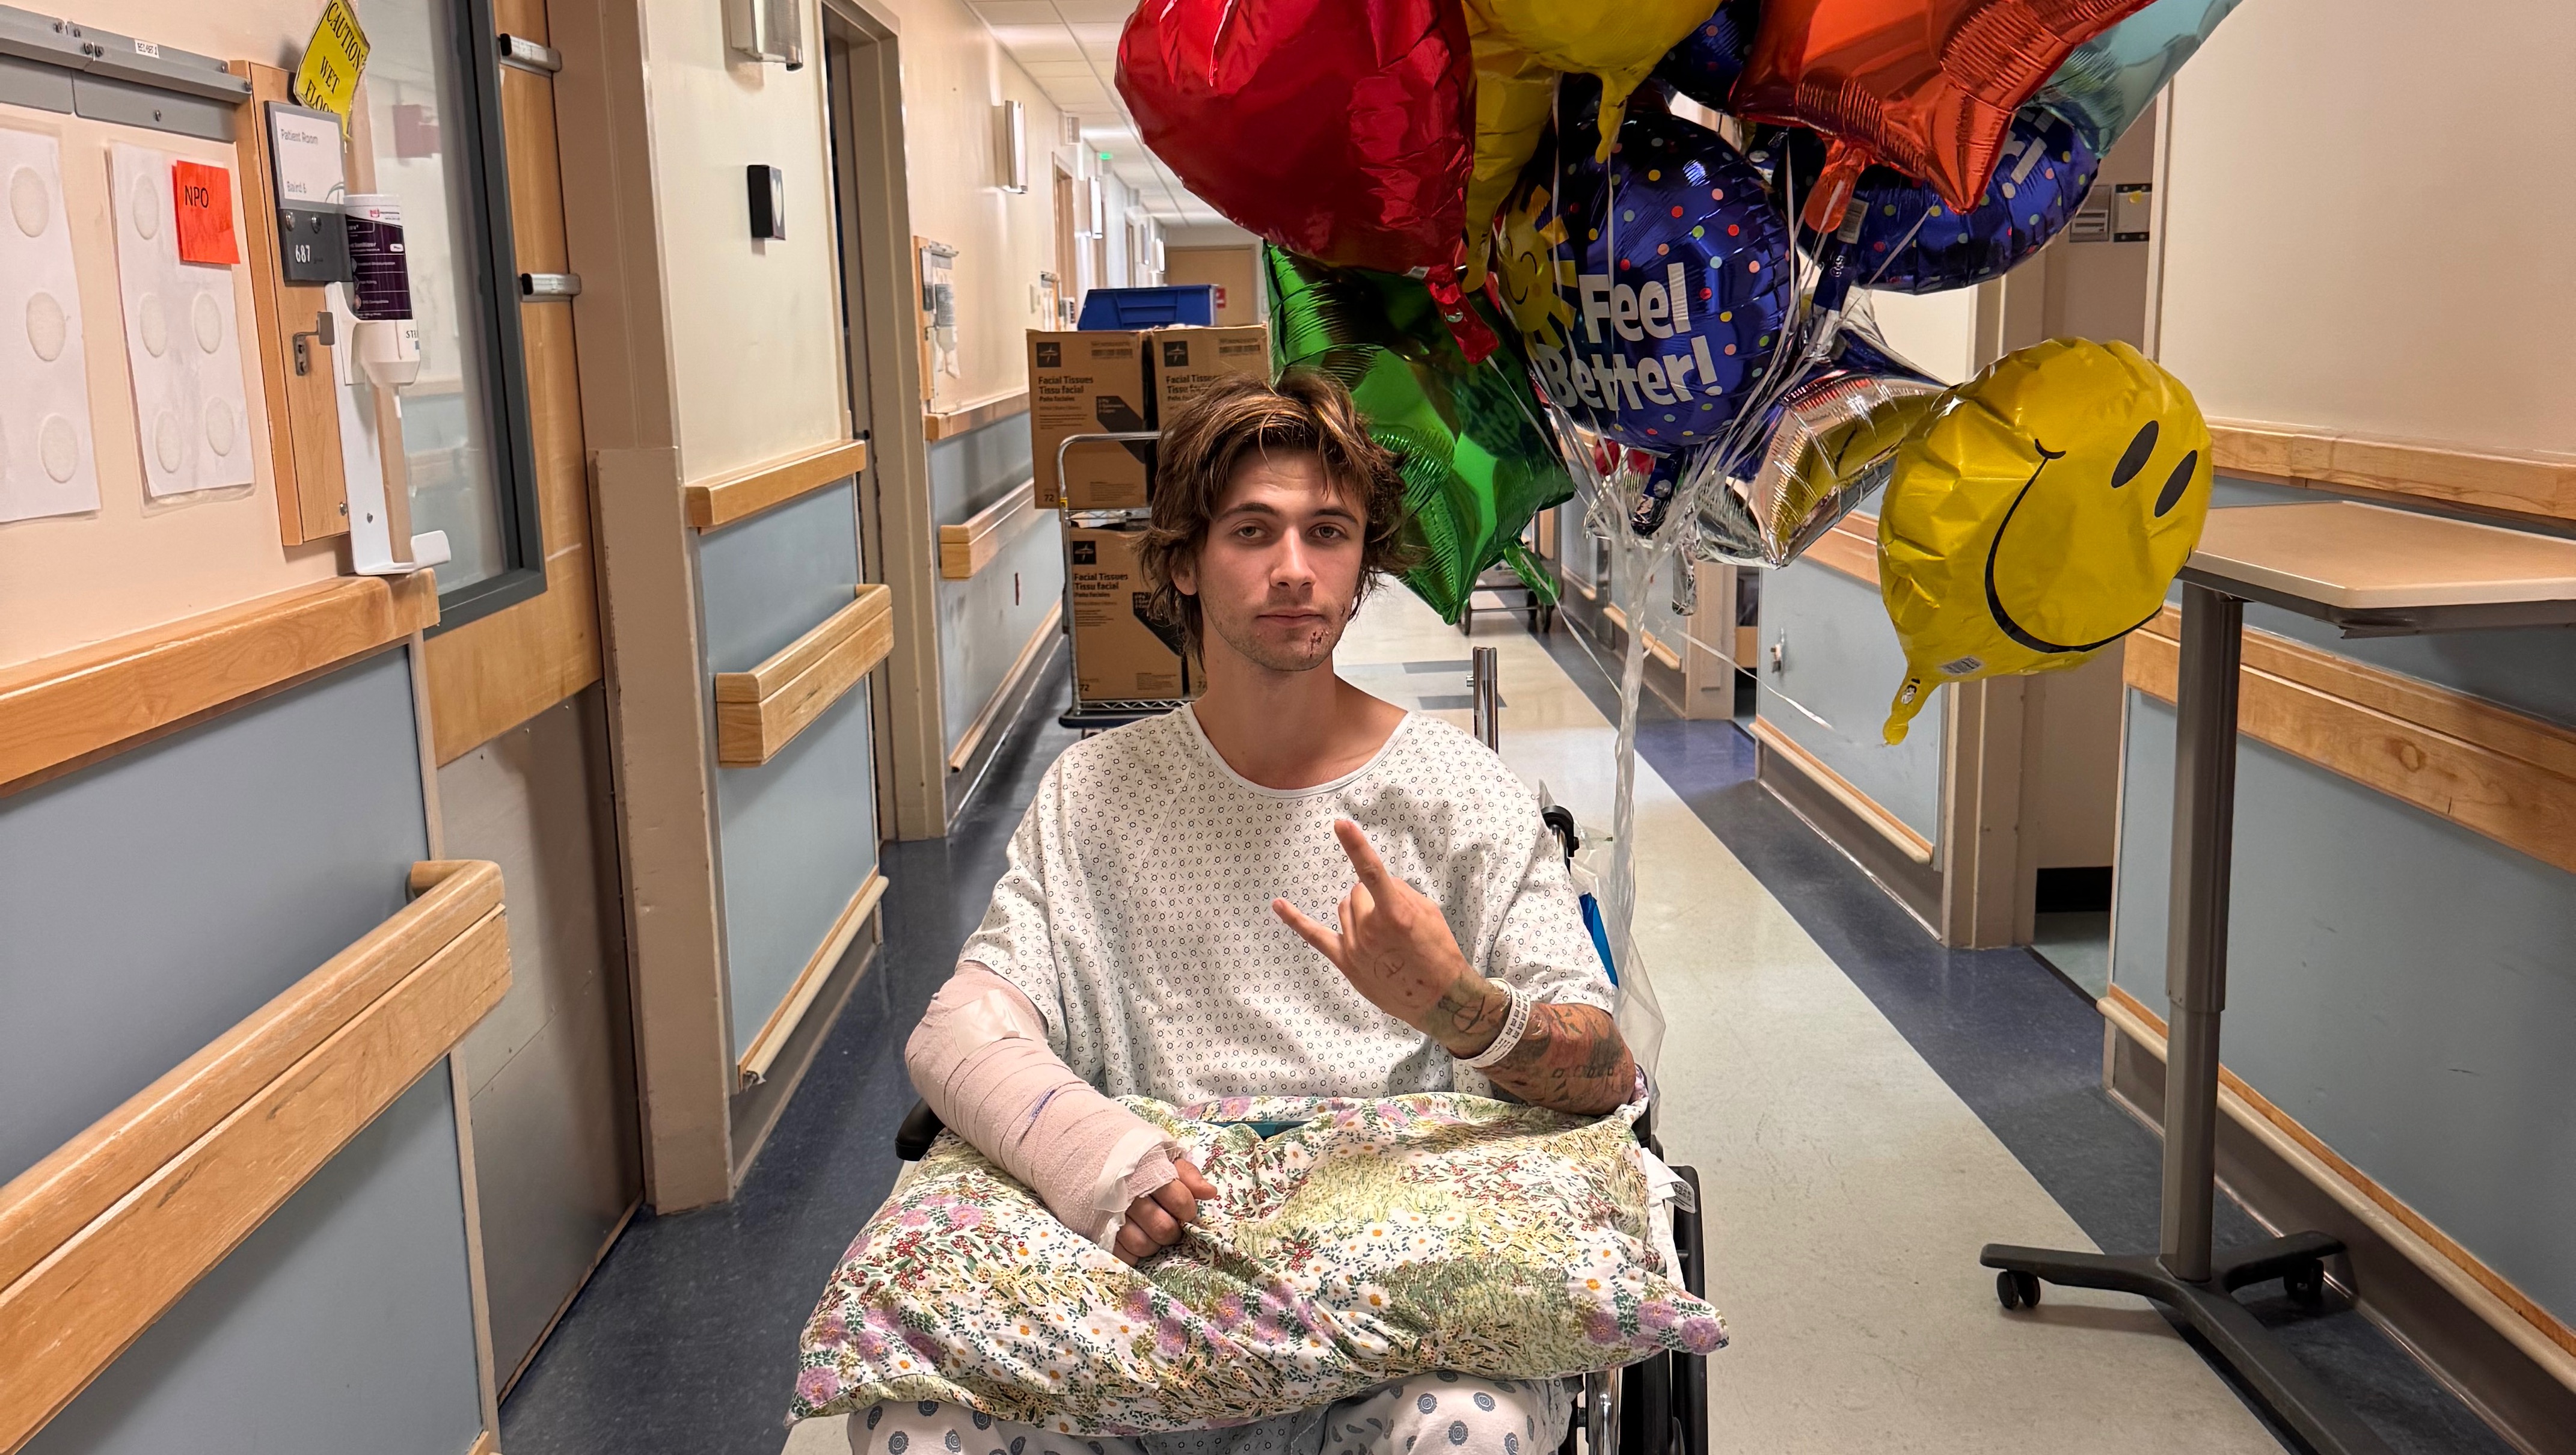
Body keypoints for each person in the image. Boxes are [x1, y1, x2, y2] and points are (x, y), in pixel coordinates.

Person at [862, 373, 1636, 1455]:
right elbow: (965, 1032)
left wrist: (1461, 1008)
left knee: (1471, 1428)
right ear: (1184, 559)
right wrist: (1094, 1154)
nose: (1294, 568)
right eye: (1251, 531)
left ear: (1362, 564)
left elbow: (1608, 1074)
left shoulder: (1462, 794)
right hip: (1149, 1293)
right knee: (916, 1419)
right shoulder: (1095, 795)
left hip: (1403, 1308)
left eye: (1329, 532)